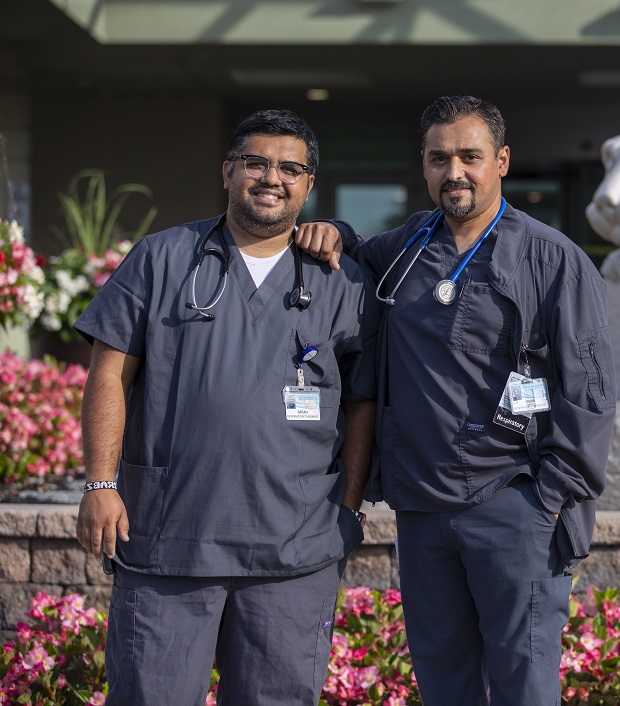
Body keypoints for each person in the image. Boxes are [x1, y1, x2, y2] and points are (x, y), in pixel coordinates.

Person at [297, 95, 616, 706]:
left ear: (501, 160)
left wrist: (547, 503)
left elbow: (591, 396)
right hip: (422, 512)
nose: (455, 172)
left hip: (514, 506)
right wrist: (333, 228)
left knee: (525, 687)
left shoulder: (554, 260)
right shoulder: (406, 250)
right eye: (440, 158)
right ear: (423, 165)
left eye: (470, 156)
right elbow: (351, 257)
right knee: (443, 684)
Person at [73, 109, 378, 706]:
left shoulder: (341, 280)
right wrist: (99, 484)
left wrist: (348, 507)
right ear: (227, 171)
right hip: (168, 541)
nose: (271, 178)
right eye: (255, 163)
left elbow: (363, 402)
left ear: (308, 185)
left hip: (294, 550)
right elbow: (108, 372)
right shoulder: (161, 258)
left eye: (290, 168)